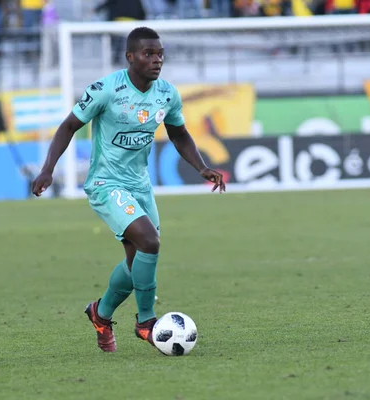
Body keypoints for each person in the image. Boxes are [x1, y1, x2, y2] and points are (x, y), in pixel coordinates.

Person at [31, 27, 226, 352]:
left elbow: (179, 134)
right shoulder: (106, 90)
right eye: (149, 54)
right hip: (106, 184)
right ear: (130, 57)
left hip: (139, 185)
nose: (157, 60)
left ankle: (101, 313)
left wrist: (202, 167)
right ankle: (146, 321)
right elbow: (67, 127)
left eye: (160, 54)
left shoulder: (166, 93)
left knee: (138, 260)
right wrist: (47, 169)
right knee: (150, 241)